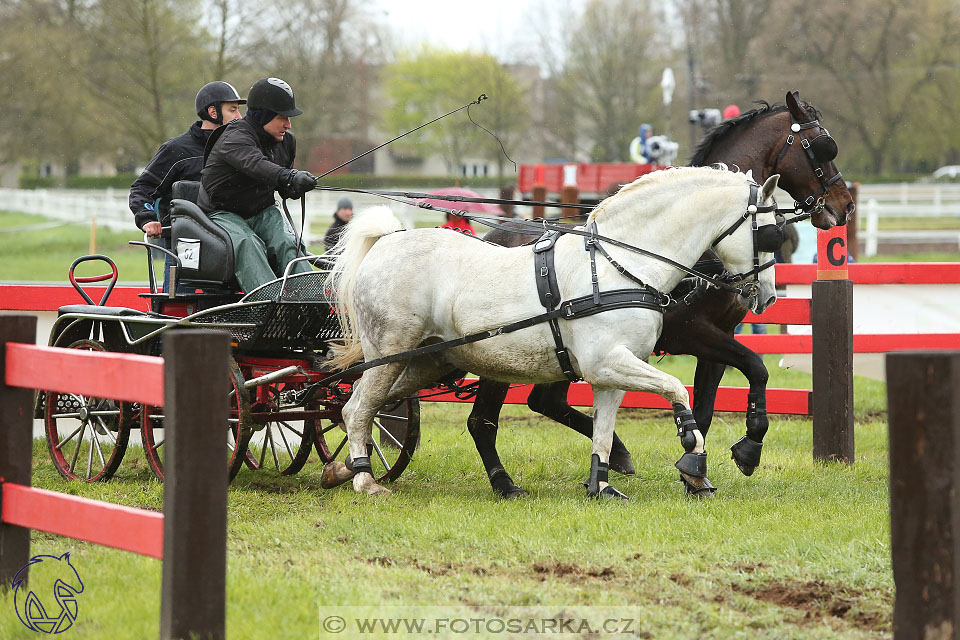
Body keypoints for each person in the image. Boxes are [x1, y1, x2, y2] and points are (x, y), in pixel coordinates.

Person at [198, 77, 318, 292]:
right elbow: (255, 164)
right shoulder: (234, 137)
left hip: (261, 209)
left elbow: (281, 185)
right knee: (248, 244)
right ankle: (268, 305)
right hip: (221, 213)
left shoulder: (287, 142)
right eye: (283, 118)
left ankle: (311, 300)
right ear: (264, 115)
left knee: (287, 242)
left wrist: (294, 186)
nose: (288, 125)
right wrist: (289, 176)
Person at [128, 81, 245, 290]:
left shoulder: (240, 150)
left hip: (229, 251)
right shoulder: (176, 150)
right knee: (178, 318)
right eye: (233, 110)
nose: (239, 117)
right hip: (184, 251)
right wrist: (147, 219)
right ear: (213, 112)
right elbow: (143, 188)